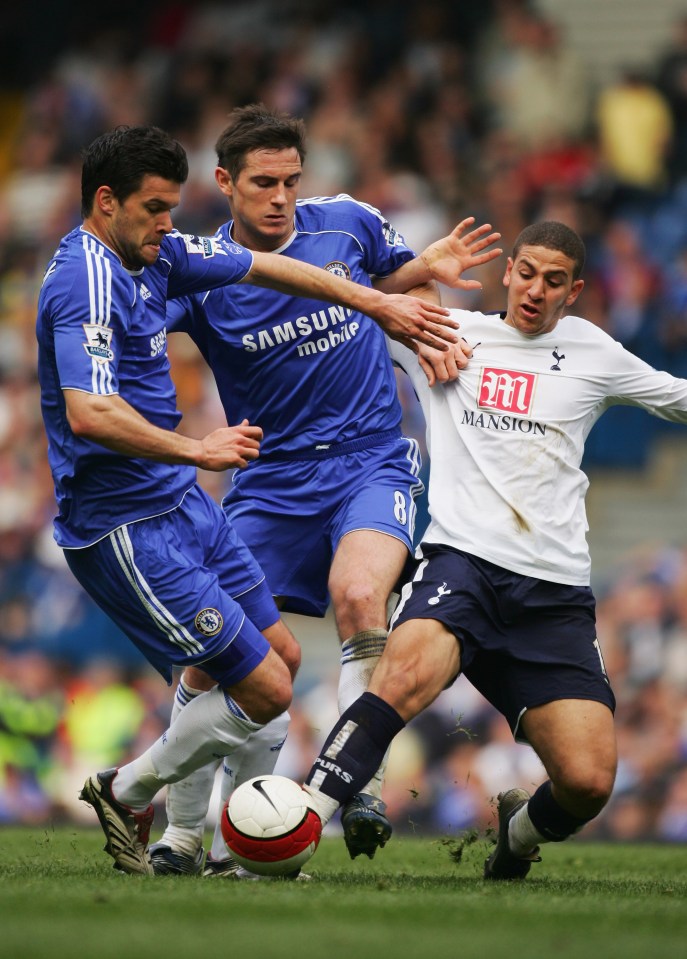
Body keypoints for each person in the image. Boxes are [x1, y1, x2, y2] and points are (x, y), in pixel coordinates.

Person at [35, 124, 460, 876]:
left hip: (264, 482)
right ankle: (151, 811)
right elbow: (88, 409)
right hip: (141, 515)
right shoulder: (88, 279)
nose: (169, 223)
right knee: (248, 680)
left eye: (172, 207)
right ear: (107, 203)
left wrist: (382, 301)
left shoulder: (170, 251)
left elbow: (274, 269)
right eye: (155, 208)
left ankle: (246, 833)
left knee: (302, 642)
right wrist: (198, 448)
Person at [150, 104, 501, 877]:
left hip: (371, 458)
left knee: (357, 594)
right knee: (216, 650)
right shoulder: (200, 269)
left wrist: (426, 273)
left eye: (290, 181)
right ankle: (179, 835)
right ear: (224, 184)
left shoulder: (347, 222)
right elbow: (138, 327)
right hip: (270, 481)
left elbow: (384, 284)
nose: (280, 196)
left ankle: (363, 783)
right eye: (262, 183)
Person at [299, 220, 687, 880]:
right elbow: (346, 300)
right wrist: (419, 265)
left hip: (552, 596)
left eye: (554, 280)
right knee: (401, 677)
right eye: (527, 272)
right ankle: (299, 818)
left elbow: (676, 398)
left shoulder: (591, 351)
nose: (537, 289)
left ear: (575, 290)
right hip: (462, 564)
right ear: (507, 271)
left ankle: (517, 830)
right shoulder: (450, 332)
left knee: (589, 780)